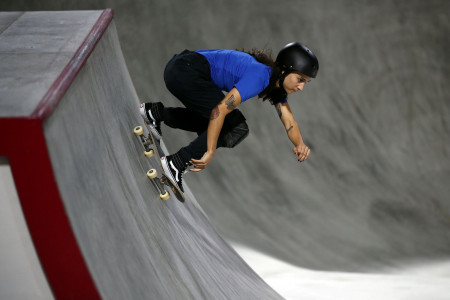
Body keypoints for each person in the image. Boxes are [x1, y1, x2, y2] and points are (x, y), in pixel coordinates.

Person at [140, 42, 319, 192]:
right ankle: (176, 163)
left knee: (226, 127)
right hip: (185, 71)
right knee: (231, 126)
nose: (301, 87)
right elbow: (220, 111)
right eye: (300, 79)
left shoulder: (274, 83)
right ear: (284, 71)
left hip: (182, 68)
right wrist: (210, 151)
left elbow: (289, 122)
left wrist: (300, 144)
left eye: (306, 82)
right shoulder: (260, 76)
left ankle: (156, 113)